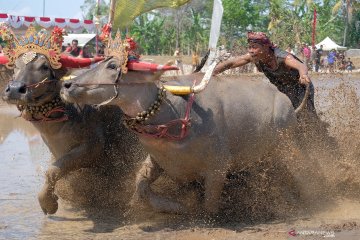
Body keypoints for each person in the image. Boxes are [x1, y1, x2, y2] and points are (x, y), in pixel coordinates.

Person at [213, 31, 316, 117]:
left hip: (300, 87)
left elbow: (301, 66)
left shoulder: (283, 58)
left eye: (254, 47)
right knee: (283, 116)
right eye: (249, 47)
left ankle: (318, 133)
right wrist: (212, 72)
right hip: (282, 89)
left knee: (306, 116)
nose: (251, 51)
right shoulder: (254, 57)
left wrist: (303, 76)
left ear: (266, 47)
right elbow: (231, 63)